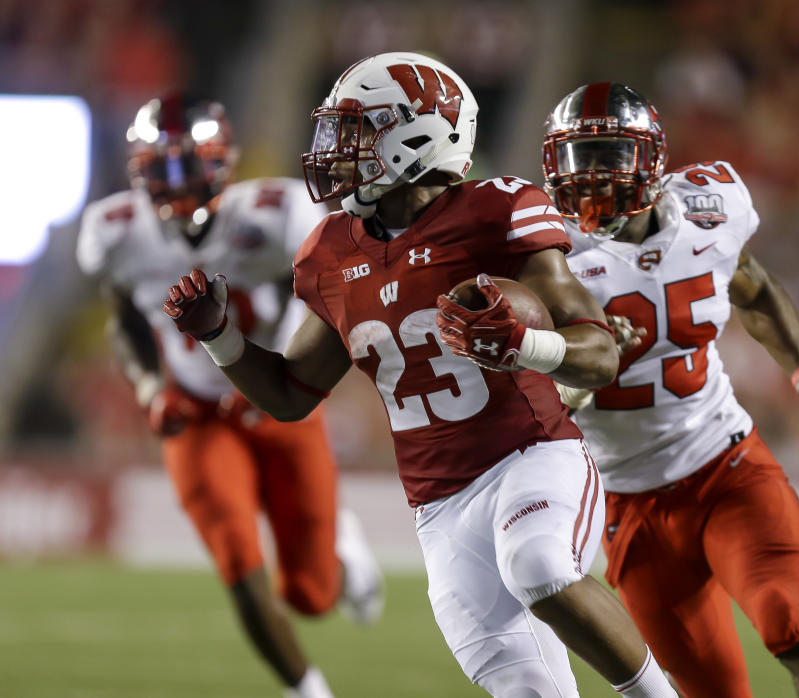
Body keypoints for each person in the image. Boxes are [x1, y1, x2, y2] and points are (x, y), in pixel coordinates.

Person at [161, 53, 678, 698]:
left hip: (532, 454)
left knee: (539, 562)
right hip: (438, 507)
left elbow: (599, 354)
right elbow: (291, 396)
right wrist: (221, 337)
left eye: (356, 133)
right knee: (527, 690)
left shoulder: (497, 211)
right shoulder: (331, 250)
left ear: (416, 135)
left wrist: (525, 343)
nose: (337, 151)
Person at [542, 82, 799, 698]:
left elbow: (757, 288)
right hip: (627, 502)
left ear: (650, 160)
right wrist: (577, 369)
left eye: (607, 156)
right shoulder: (545, 252)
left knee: (791, 624)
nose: (587, 176)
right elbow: (517, 387)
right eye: (574, 159)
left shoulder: (707, 210)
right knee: (708, 691)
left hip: (728, 467)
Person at [77, 94, 384, 698]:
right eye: (159, 166)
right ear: (136, 170)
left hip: (274, 404)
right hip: (196, 417)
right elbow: (126, 323)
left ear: (222, 161)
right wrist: (149, 390)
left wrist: (285, 373)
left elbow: (323, 298)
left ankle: (340, 554)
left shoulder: (276, 214)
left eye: (184, 163)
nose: (173, 181)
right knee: (238, 563)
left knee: (310, 594)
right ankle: (309, 691)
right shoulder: (117, 232)